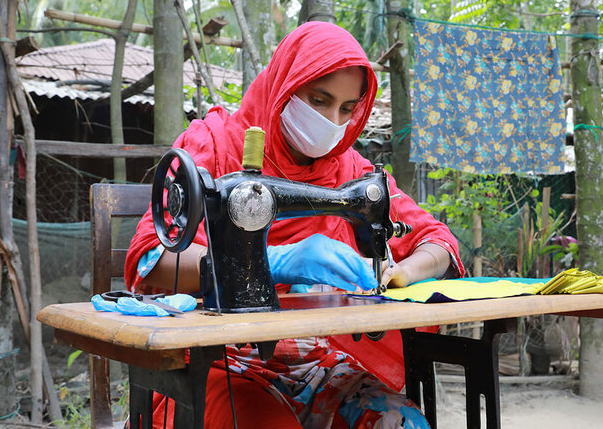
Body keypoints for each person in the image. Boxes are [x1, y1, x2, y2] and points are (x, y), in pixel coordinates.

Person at [125, 22, 464, 428]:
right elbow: (150, 259)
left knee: (403, 423)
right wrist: (271, 261)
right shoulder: (214, 146)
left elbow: (438, 240)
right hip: (218, 363)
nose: (332, 120)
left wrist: (404, 271)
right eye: (319, 100)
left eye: (347, 108)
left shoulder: (351, 171)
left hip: (318, 365)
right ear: (285, 83)